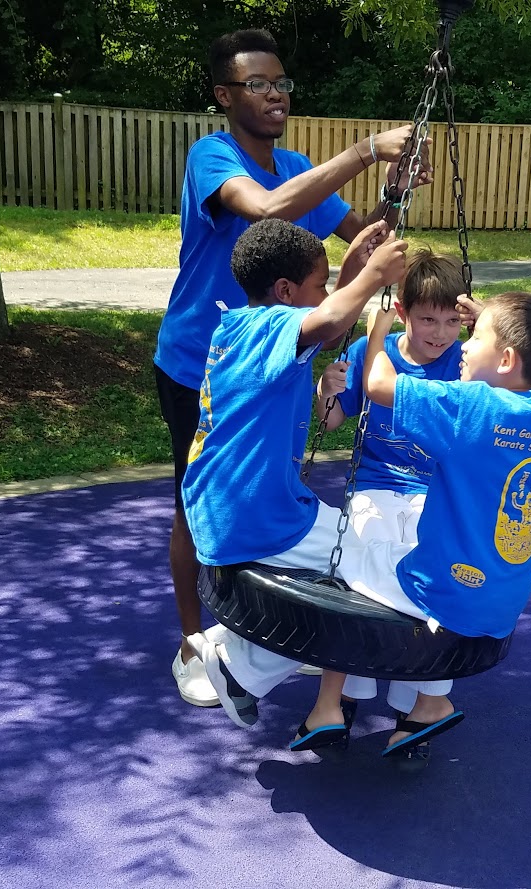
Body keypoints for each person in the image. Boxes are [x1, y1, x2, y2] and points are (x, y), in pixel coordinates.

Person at [159, 28, 428, 708]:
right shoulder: (212, 157)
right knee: (199, 498)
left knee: (268, 471)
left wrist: (392, 192)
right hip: (202, 358)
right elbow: (270, 210)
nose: (275, 94)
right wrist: (366, 149)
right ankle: (195, 641)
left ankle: (264, 626)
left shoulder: (298, 163)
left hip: (281, 351)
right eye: (259, 84)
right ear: (225, 94)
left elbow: (360, 236)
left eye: (281, 83)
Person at [197, 290, 531, 767]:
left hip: (438, 591)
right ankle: (428, 703)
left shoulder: (473, 407)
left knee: (334, 557)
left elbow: (377, 383)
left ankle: (243, 671)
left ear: (504, 358)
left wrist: (376, 327)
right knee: (373, 550)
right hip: (501, 602)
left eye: (473, 335)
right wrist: (497, 322)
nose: (462, 344)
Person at [179, 215, 406, 721]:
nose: (326, 293)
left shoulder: (242, 327)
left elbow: (322, 322)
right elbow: (325, 323)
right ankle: (239, 664)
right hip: (257, 512)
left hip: (224, 501)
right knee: (365, 570)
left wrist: (349, 272)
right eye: (318, 284)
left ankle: (245, 660)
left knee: (340, 568)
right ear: (285, 290)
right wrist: (373, 279)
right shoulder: (272, 327)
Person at [314, 248, 470, 717]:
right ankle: (352, 687)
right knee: (360, 569)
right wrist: (326, 390)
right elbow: (333, 422)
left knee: (431, 571)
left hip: (433, 492)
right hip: (375, 486)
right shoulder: (370, 352)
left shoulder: (467, 359)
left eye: (450, 321)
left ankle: (415, 697)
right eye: (427, 320)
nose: (439, 334)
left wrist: (485, 323)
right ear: (400, 313)